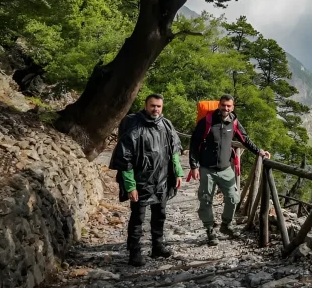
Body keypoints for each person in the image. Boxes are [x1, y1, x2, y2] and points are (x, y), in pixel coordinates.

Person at [109, 94, 184, 266]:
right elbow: (125, 158)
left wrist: (178, 173)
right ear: (145, 105)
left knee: (160, 215)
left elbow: (174, 151)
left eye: (158, 106)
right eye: (152, 106)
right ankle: (134, 252)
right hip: (140, 180)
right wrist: (130, 186)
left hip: (162, 179)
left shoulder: (166, 124)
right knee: (138, 218)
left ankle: (158, 246)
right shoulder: (133, 124)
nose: (155, 109)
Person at [188, 94, 270, 246]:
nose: (226, 108)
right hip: (207, 168)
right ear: (219, 105)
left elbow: (244, 139)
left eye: (229, 106)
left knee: (233, 198)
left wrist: (259, 151)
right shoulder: (207, 121)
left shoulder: (233, 121)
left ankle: (226, 225)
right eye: (223, 105)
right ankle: (210, 230)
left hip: (226, 168)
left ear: (232, 107)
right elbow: (194, 143)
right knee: (206, 199)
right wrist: (194, 166)